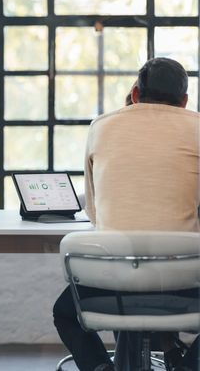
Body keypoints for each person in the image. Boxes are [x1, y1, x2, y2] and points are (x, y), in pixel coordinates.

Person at [53, 57, 200, 371]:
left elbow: (94, 212)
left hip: (112, 282)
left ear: (135, 94)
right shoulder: (197, 125)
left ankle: (100, 368)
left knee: (65, 311)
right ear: (185, 102)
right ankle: (188, 365)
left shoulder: (101, 126)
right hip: (181, 281)